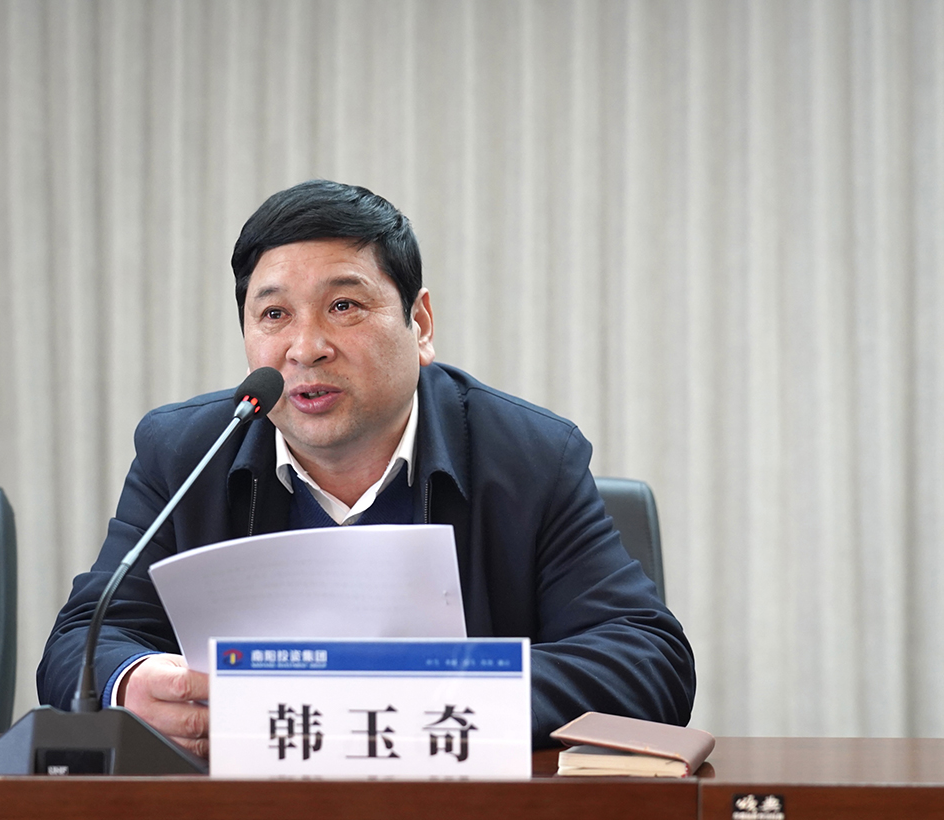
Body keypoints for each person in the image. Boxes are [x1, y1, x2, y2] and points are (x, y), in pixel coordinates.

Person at [39, 180, 696, 756]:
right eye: (273, 314)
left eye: (344, 306)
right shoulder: (186, 452)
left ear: (421, 323)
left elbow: (646, 662)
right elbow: (83, 641)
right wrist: (132, 683)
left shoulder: (527, 455)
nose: (306, 348)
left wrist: (423, 691)